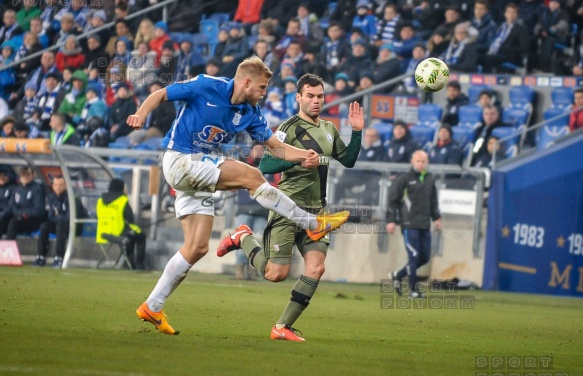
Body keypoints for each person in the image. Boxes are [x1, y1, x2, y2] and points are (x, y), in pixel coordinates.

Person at [128, 56, 350, 335]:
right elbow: (160, 94)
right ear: (246, 82)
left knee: (196, 247)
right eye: (262, 86)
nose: (265, 92)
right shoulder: (205, 85)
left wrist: (303, 155)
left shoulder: (251, 112)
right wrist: (140, 113)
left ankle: (153, 305)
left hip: (199, 172)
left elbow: (274, 147)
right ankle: (312, 224)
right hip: (181, 160)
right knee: (253, 177)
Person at [217, 73, 364, 341]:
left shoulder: (329, 129)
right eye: (310, 96)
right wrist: (296, 162)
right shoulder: (288, 129)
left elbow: (349, 160)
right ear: (298, 98)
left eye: (320, 96)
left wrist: (356, 132)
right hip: (288, 209)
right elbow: (266, 166)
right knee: (276, 274)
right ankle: (243, 238)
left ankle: (282, 327)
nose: (316, 101)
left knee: (316, 268)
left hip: (317, 213)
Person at [387, 150, 442, 298]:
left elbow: (433, 201)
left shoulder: (430, 179)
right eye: (418, 161)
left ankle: (398, 275)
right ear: (412, 161)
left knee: (424, 258)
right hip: (409, 223)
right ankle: (413, 290)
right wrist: (391, 220)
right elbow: (393, 200)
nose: (420, 164)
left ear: (427, 162)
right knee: (414, 255)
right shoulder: (404, 179)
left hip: (424, 224)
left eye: (423, 161)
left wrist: (437, 218)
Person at [34, 175, 86, 268]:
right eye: (55, 185)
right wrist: (58, 217)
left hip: (74, 227)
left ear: (66, 186)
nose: (57, 187)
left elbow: (69, 218)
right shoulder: (52, 197)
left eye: (61, 185)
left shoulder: (73, 199)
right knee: (44, 226)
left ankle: (59, 257)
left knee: (60, 227)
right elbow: (50, 216)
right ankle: (40, 256)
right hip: (60, 224)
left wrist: (58, 216)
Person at [96, 178, 146, 270]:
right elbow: (130, 219)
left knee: (131, 236)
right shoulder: (122, 200)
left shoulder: (100, 200)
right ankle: (138, 264)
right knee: (140, 235)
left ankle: (129, 262)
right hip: (118, 233)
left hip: (102, 234)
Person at [5, 166, 46, 240]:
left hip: (33, 220)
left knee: (13, 223)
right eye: (23, 175)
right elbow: (12, 205)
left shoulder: (37, 189)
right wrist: (19, 213)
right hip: (18, 217)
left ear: (33, 176)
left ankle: (9, 248)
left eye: (28, 174)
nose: (25, 177)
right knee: (4, 220)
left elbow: (39, 210)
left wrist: (24, 214)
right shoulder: (16, 189)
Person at [0, 165, 17, 239]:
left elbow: (10, 207)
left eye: (4, 175)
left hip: (7, 218)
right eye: (0, 175)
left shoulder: (14, 188)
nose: (2, 177)